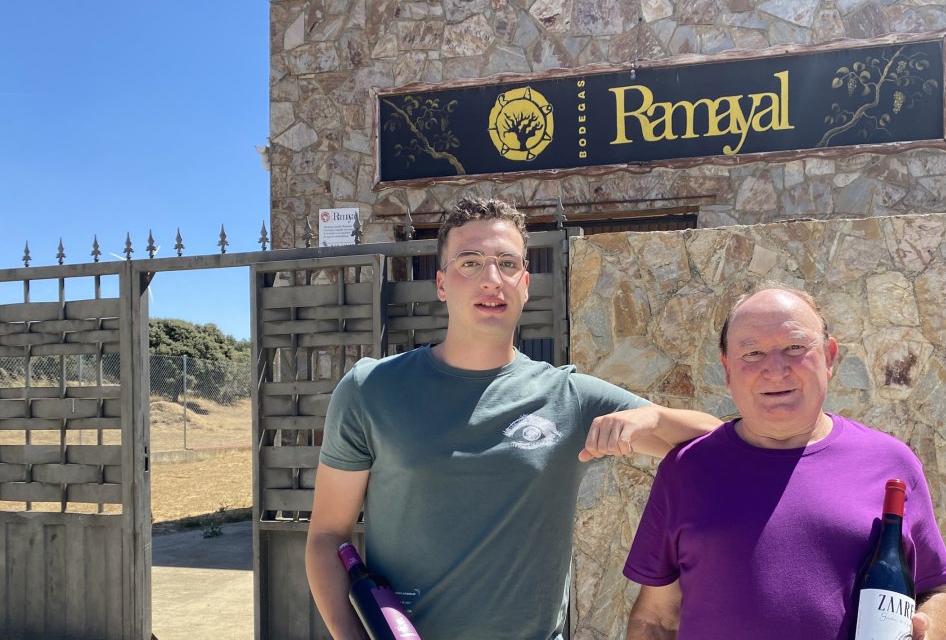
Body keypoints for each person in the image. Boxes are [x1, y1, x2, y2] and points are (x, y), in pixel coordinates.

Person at [305, 196, 721, 640]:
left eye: (506, 263)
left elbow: (718, 450)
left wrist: (653, 419)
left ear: (525, 283)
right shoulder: (370, 390)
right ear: (442, 284)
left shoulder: (569, 398)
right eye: (470, 262)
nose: (491, 279)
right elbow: (328, 536)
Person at [623, 285, 946, 639]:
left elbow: (937, 592)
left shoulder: (892, 464)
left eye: (795, 347)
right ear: (726, 369)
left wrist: (931, 630)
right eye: (752, 353)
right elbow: (656, 619)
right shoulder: (686, 469)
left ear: (829, 357)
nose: (775, 369)